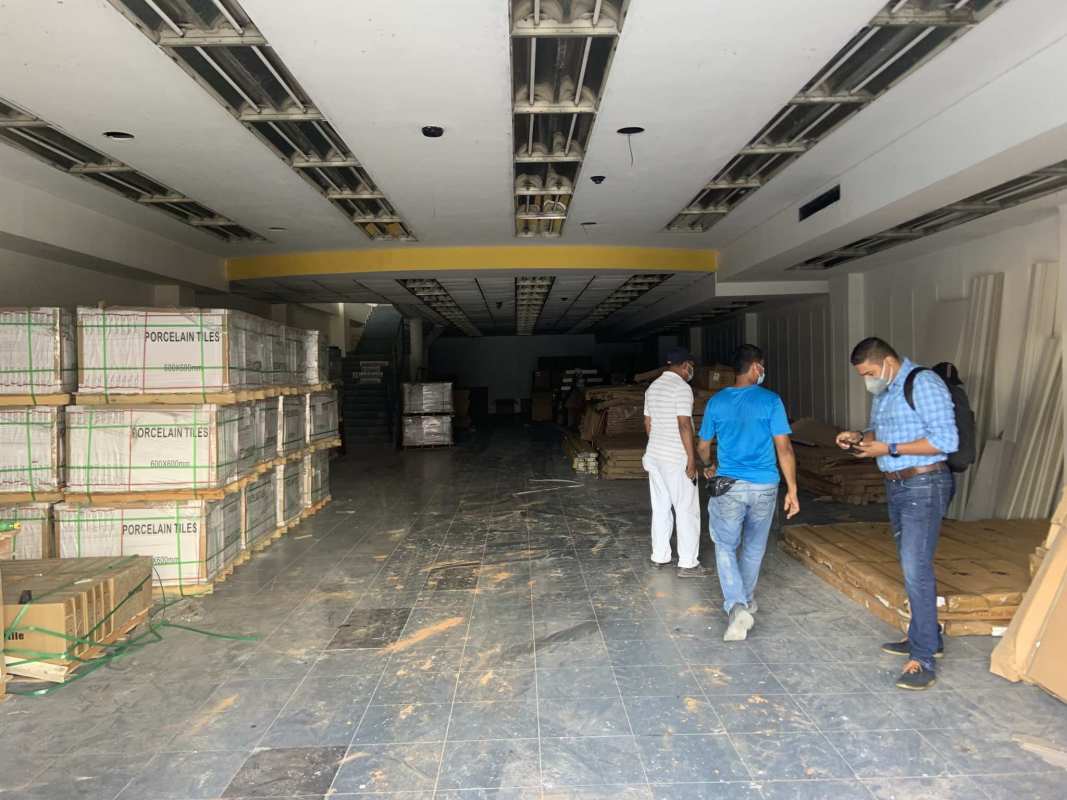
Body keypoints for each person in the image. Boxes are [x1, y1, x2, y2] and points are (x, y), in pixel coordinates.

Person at [836, 337, 958, 690]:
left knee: (916, 567)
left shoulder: (924, 384)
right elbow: (880, 431)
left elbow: (946, 441)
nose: (867, 381)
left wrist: (888, 448)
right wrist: (859, 437)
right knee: (911, 565)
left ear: (888, 362)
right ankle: (927, 635)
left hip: (924, 483)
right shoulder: (885, 391)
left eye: (869, 373)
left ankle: (922, 659)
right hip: (898, 485)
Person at [697, 344, 799, 641]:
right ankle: (746, 599)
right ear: (756, 367)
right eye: (761, 366)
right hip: (765, 485)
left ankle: (737, 605)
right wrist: (792, 489)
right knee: (754, 546)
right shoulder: (771, 401)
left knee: (725, 545)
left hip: (729, 485)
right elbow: (784, 448)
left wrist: (709, 465)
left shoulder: (717, 402)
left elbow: (703, 446)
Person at [642, 346, 704, 577]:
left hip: (655, 456)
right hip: (676, 458)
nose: (692, 371)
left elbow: (648, 423)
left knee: (661, 508)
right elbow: (684, 425)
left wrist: (658, 444)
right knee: (687, 510)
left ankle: (660, 556)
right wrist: (691, 459)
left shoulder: (653, 387)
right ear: (685, 365)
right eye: (691, 366)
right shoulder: (681, 388)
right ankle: (688, 563)